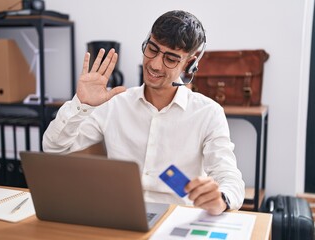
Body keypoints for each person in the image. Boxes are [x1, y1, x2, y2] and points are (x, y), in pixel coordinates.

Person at [43, 10, 245, 215]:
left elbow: (229, 177)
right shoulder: (115, 103)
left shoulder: (208, 113)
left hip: (176, 220)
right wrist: (81, 104)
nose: (155, 64)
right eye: (152, 49)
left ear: (190, 64)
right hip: (121, 215)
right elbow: (54, 148)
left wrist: (220, 199)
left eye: (171, 59)